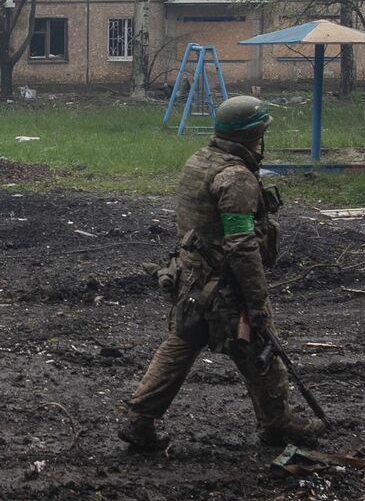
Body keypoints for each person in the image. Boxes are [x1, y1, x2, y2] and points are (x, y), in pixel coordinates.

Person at [119, 95, 323, 454]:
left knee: (180, 347)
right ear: (254, 135)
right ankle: (278, 425)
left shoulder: (200, 161)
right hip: (222, 289)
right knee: (260, 353)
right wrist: (258, 301)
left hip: (191, 280)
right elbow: (241, 245)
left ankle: (139, 420)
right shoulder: (236, 178)